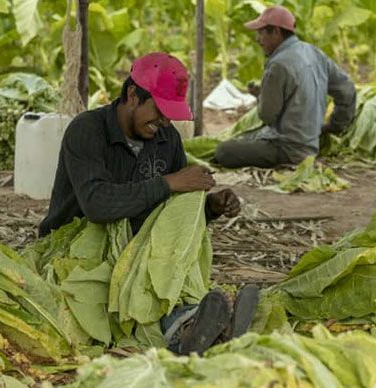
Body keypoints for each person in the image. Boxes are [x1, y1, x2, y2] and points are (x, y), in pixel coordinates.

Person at [39, 52, 257, 355]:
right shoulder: (87, 130)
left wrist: (210, 208)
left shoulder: (167, 140)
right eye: (159, 110)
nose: (165, 121)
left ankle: (196, 327)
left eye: (170, 114)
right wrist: (169, 183)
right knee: (110, 294)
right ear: (132, 95)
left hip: (138, 250)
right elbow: (97, 205)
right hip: (76, 252)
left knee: (162, 268)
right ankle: (186, 329)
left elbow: (170, 217)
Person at [214, 5, 357, 168]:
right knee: (245, 139)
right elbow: (347, 89)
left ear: (275, 32)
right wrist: (335, 126)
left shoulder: (278, 65)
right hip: (311, 144)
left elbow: (267, 116)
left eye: (261, 33)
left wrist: (262, 96)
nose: (257, 39)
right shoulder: (312, 52)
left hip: (287, 149)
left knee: (224, 150)